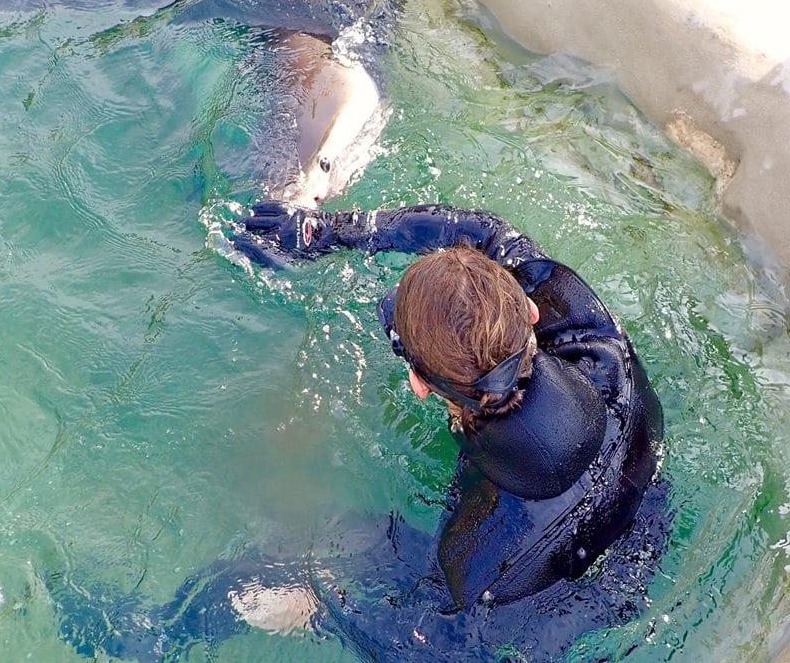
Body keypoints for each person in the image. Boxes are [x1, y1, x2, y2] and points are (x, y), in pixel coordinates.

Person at [50, 201, 670, 660]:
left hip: (525, 608)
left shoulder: (473, 561)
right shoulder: (588, 331)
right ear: (527, 310)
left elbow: (441, 647)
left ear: (420, 386)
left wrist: (327, 607)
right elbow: (484, 233)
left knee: (288, 565)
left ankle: (151, 639)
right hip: (647, 521)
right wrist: (328, 234)